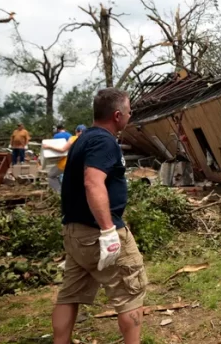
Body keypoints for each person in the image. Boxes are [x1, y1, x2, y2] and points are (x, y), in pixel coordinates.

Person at [52, 89, 146, 344]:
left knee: (69, 294)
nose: (130, 115)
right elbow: (93, 183)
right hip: (97, 233)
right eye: (128, 112)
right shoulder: (104, 142)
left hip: (75, 233)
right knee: (130, 291)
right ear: (117, 115)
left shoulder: (84, 139)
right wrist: (108, 231)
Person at [43, 125, 85, 194]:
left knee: (51, 175)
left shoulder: (73, 138)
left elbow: (63, 150)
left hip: (67, 163)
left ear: (76, 131)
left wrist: (48, 146)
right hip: (80, 164)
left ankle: (60, 193)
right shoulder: (87, 140)